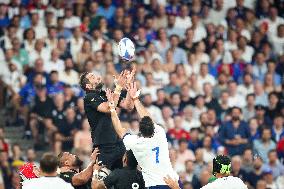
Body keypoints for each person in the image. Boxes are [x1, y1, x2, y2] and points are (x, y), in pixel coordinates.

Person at [105, 82, 179, 188]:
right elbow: (147, 116)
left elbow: (120, 130)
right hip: (171, 182)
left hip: (154, 185)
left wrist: (112, 108)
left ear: (140, 131)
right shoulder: (160, 133)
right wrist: (135, 99)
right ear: (153, 128)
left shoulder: (136, 142)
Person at [79, 69, 134, 170]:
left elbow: (128, 105)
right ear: (88, 86)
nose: (98, 77)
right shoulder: (89, 97)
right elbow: (108, 108)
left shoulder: (105, 94)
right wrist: (118, 87)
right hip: (104, 146)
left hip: (118, 143)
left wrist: (129, 86)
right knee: (101, 180)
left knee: (121, 179)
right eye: (92, 77)